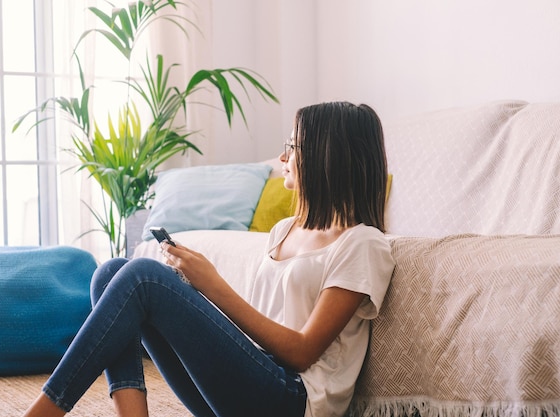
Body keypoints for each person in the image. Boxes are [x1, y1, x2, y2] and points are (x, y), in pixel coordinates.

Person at [23, 101, 395, 417]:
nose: (282, 156)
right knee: (111, 273)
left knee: (144, 277)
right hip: (250, 378)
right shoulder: (286, 229)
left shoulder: (363, 244)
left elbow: (301, 353)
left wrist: (212, 285)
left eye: (293, 146)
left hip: (292, 400)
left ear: (326, 158)